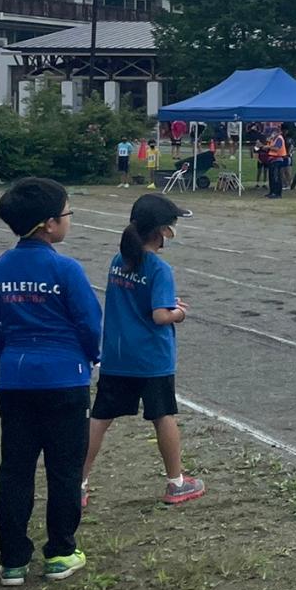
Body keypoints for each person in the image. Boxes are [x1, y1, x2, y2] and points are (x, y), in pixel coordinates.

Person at [0, 177, 102, 585]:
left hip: (15, 380)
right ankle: (61, 552)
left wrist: (12, 356)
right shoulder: (64, 268)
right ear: (49, 224)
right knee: (64, 469)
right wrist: (88, 357)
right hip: (65, 378)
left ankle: (12, 560)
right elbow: (89, 323)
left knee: (15, 469)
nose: (69, 221)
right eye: (67, 213)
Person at [83, 193, 201, 507]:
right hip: (151, 359)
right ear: (162, 231)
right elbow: (160, 315)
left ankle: (77, 482)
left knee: (100, 417)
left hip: (117, 356)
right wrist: (178, 312)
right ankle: (176, 483)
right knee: (163, 416)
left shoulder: (118, 260)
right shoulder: (159, 269)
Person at [260, 124, 289, 199]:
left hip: (277, 159)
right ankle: (272, 192)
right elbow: (268, 148)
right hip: (272, 160)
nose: (271, 134)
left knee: (276, 177)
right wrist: (263, 146)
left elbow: (276, 148)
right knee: (271, 177)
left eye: (273, 132)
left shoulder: (279, 138)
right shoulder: (273, 139)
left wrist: (268, 147)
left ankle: (277, 193)